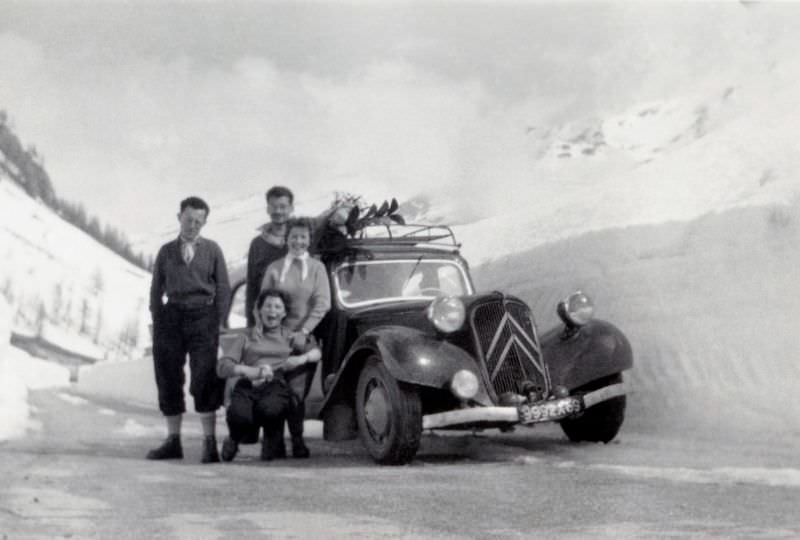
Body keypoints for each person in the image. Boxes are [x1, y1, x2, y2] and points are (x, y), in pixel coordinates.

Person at [147, 196, 231, 463]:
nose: (193, 225)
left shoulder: (213, 250)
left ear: (204, 222)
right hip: (171, 318)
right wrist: (159, 321)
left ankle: (210, 443)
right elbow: (155, 291)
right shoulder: (166, 252)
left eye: (198, 221)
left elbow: (224, 290)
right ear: (179, 218)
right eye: (188, 219)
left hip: (203, 317)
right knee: (168, 376)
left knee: (204, 378)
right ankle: (173, 441)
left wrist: (217, 322)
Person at [217, 289, 321, 461]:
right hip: (248, 385)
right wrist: (248, 371)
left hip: (275, 384)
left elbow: (316, 353)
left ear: (284, 313)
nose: (272, 311)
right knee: (239, 415)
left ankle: (273, 440)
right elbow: (223, 366)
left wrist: (301, 359)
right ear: (259, 310)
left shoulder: (289, 336)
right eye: (268, 306)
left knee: (271, 409)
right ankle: (234, 439)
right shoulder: (247, 336)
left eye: (277, 307)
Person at [260, 216, 331, 456]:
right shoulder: (274, 268)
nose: (298, 241)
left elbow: (323, 304)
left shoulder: (317, 268)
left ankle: (297, 441)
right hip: (275, 339)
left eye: (303, 237)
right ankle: (273, 441)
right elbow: (263, 304)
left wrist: (304, 331)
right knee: (273, 391)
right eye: (294, 237)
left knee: (295, 395)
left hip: (303, 340)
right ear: (286, 238)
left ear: (309, 239)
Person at [245, 186, 293, 328]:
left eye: (283, 207)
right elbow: (252, 286)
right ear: (267, 209)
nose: (278, 211)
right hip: (269, 317)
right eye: (273, 206)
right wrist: (251, 323)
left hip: (297, 317)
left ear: (291, 208)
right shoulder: (257, 244)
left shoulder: (299, 239)